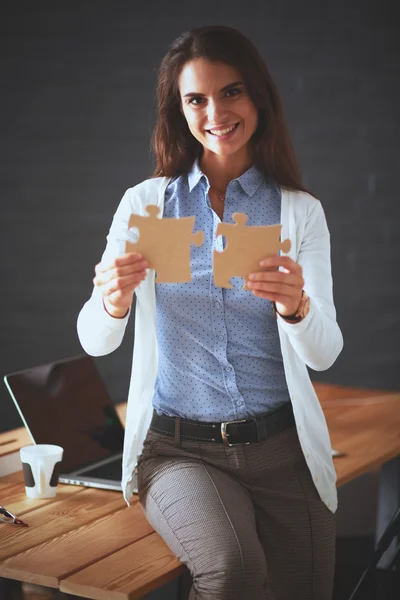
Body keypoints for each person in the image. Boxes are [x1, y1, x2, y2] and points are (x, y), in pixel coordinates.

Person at [77, 25, 343, 600]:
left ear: (258, 99)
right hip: (178, 450)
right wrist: (112, 300)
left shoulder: (299, 214)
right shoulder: (148, 203)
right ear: (179, 110)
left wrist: (297, 307)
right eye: (196, 99)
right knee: (232, 570)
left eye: (231, 92)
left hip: (282, 450)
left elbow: (326, 352)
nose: (215, 112)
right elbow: (95, 340)